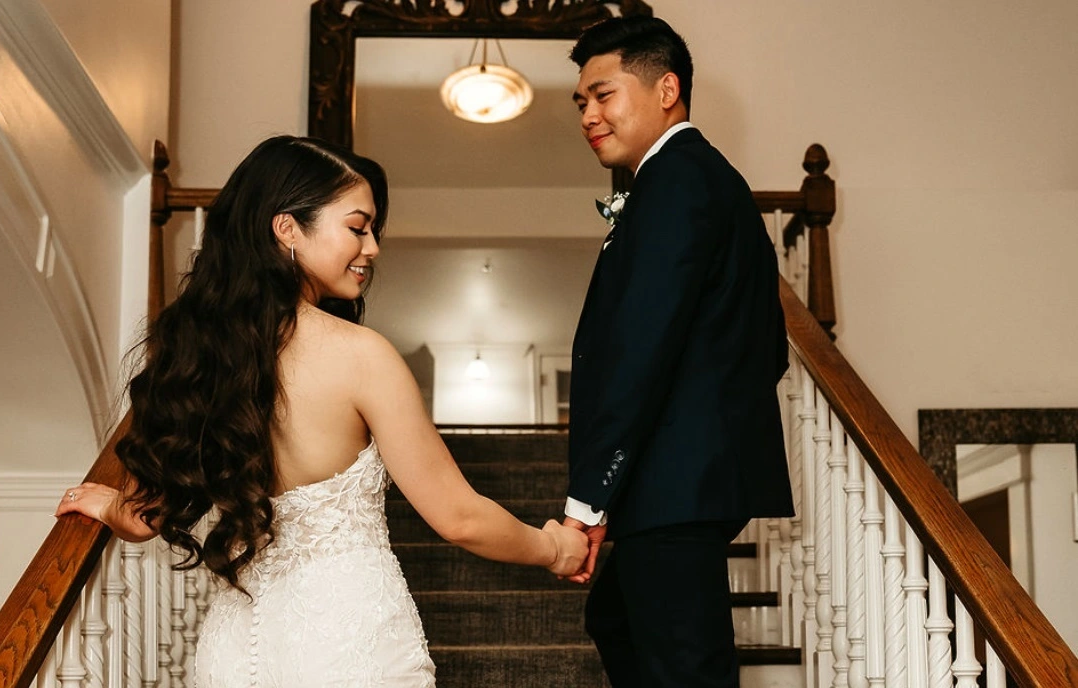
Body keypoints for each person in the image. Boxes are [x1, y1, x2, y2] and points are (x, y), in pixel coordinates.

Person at [55, 135, 589, 687]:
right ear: (286, 228)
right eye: (357, 227)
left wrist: (112, 505)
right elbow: (458, 517)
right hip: (349, 644)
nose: (373, 247)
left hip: (236, 654)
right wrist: (554, 549)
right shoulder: (362, 356)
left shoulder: (195, 360)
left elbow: (148, 518)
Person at [560, 17, 795, 687]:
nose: (588, 115)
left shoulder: (679, 180)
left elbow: (641, 346)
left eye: (603, 94)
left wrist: (587, 501)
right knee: (616, 620)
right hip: (680, 476)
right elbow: (764, 346)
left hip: (676, 480)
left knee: (686, 668)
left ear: (667, 89)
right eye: (581, 102)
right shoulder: (692, 180)